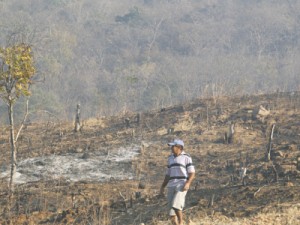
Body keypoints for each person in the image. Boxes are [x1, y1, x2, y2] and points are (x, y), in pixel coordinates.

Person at [160, 139, 195, 225]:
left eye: (173, 146)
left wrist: (188, 183)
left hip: (181, 184)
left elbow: (192, 173)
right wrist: (162, 187)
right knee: (171, 211)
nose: (171, 148)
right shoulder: (170, 158)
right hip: (171, 184)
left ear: (179, 147)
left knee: (176, 205)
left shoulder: (186, 157)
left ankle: (181, 222)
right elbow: (168, 175)